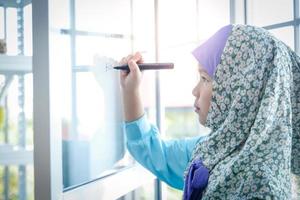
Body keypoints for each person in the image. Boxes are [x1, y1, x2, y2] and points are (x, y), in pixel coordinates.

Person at [119, 24, 300, 199]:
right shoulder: (214, 148)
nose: (195, 91)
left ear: (241, 90)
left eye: (205, 78)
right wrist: (130, 91)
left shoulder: (261, 188)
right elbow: (157, 153)